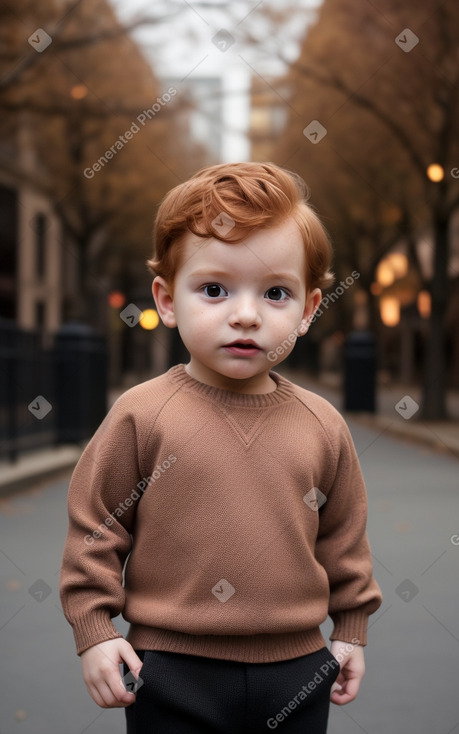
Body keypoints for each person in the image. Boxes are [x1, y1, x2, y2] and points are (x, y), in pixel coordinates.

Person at [59, 161, 382, 734]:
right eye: (214, 289)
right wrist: (95, 632)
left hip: (299, 669)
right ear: (166, 298)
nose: (246, 314)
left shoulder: (323, 425)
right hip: (168, 669)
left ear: (308, 311)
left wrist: (351, 630)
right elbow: (96, 528)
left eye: (276, 293)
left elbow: (344, 538)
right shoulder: (142, 413)